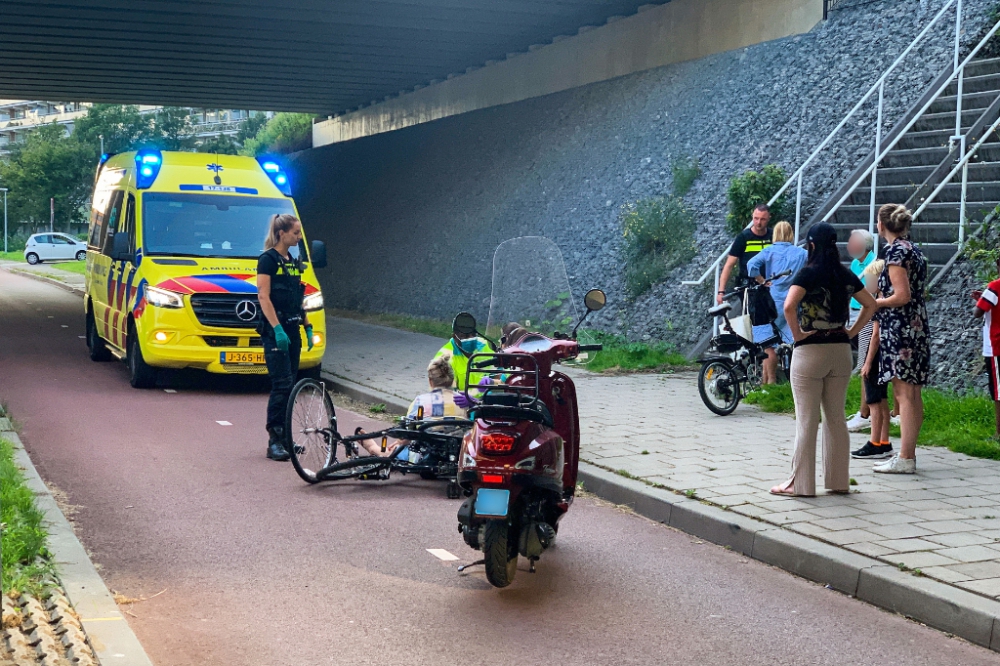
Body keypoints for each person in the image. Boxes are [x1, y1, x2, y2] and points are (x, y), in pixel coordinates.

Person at [770, 222, 876, 497]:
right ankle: (839, 481)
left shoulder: (807, 273)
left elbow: (789, 305)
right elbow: (871, 304)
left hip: (811, 350)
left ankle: (800, 485)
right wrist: (852, 331)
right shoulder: (844, 273)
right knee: (836, 418)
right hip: (841, 351)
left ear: (812, 245)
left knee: (807, 420)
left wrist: (798, 336)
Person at [870, 204, 929, 474]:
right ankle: (910, 453)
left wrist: (878, 302)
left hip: (899, 327)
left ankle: (905, 457)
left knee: (903, 393)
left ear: (882, 225)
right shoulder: (913, 250)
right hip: (916, 325)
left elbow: (901, 295)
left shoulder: (894, 252)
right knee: (913, 393)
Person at [257, 214, 314, 461]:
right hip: (276, 332)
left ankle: (287, 439)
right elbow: (263, 297)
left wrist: (307, 325)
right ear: (282, 234)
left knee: (290, 387)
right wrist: (276, 329)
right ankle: (274, 441)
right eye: (296, 233)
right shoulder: (267, 260)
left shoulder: (292, 261)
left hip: (293, 329)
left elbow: (296, 297)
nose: (299, 237)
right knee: (280, 385)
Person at [360, 354, 466, 458]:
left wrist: (400, 442)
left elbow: (408, 429)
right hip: (457, 453)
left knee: (397, 452)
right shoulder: (465, 400)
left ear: (430, 381)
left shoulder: (421, 400)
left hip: (426, 452)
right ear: (453, 380)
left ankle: (376, 449)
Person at [718, 204, 775, 379]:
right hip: (749, 289)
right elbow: (729, 265)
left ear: (769, 218)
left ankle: (767, 363)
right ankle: (757, 361)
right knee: (756, 326)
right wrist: (721, 291)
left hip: (770, 286)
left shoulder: (772, 236)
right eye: (756, 218)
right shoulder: (744, 237)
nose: (758, 222)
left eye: (762, 219)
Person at [852, 260, 893, 459]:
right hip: (883, 355)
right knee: (882, 400)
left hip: (874, 355)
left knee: (874, 401)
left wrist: (867, 363)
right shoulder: (880, 299)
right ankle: (884, 441)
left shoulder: (878, 302)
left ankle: (874, 441)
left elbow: (875, 336)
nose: (866, 283)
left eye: (869, 279)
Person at [746, 220, 807, 346]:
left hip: (773, 299)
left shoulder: (769, 251)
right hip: (793, 298)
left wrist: (761, 280)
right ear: (791, 234)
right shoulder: (802, 253)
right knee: (791, 335)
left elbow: (751, 265)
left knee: (770, 338)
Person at [845, 229, 878, 432]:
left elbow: (871, 292)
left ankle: (865, 413)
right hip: (854, 311)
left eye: (852, 241)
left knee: (866, 364)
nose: (849, 245)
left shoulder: (875, 263)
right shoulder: (856, 263)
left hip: (868, 314)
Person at [433, 312, 491, 408]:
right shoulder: (444, 358)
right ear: (454, 336)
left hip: (486, 406)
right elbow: (444, 394)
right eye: (464, 336)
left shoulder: (483, 346)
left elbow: (500, 374)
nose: (470, 338)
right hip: (459, 410)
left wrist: (493, 381)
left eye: (473, 334)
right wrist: (471, 400)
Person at [972, 254, 1000, 439]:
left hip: (995, 345)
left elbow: (978, 312)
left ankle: (999, 432)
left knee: (998, 391)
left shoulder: (995, 286)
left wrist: (980, 300)